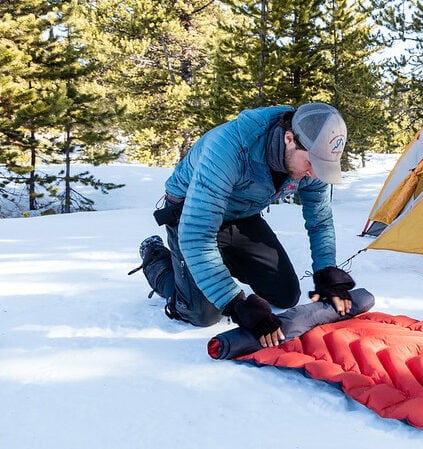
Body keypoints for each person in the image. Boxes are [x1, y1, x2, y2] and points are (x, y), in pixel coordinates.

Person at [132, 103, 356, 348]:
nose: (315, 174)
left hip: (241, 214)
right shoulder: (230, 147)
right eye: (312, 163)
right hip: (190, 214)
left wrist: (326, 272)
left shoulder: (312, 163)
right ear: (289, 139)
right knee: (204, 313)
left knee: (285, 295)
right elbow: (197, 235)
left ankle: (214, 264)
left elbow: (320, 220)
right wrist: (236, 302)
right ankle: (157, 258)